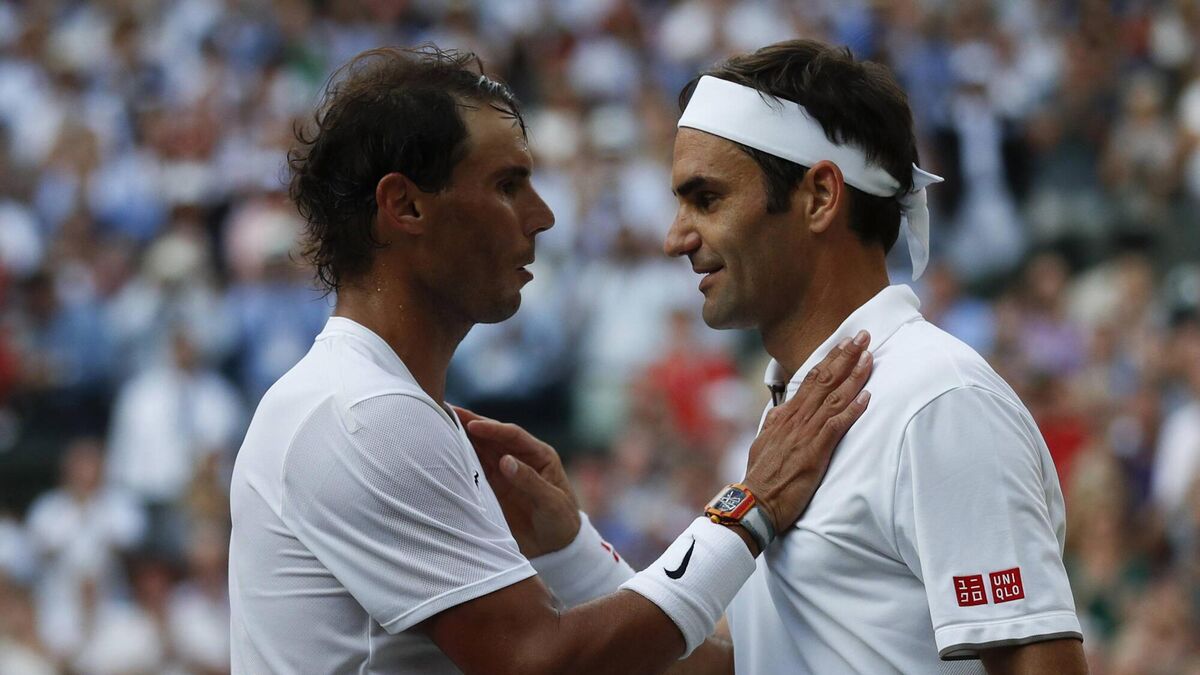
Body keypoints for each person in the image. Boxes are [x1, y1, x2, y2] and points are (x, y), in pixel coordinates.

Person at [227, 46, 874, 674]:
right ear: (406, 205)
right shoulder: (365, 412)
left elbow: (663, 665)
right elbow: (536, 660)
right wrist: (748, 506)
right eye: (508, 185)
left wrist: (569, 548)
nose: (542, 216)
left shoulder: (371, 401)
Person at [480, 40, 1089, 674]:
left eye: (706, 199)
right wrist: (573, 548)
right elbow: (738, 664)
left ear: (820, 196)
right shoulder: (798, 410)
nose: (675, 238)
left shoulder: (938, 401)